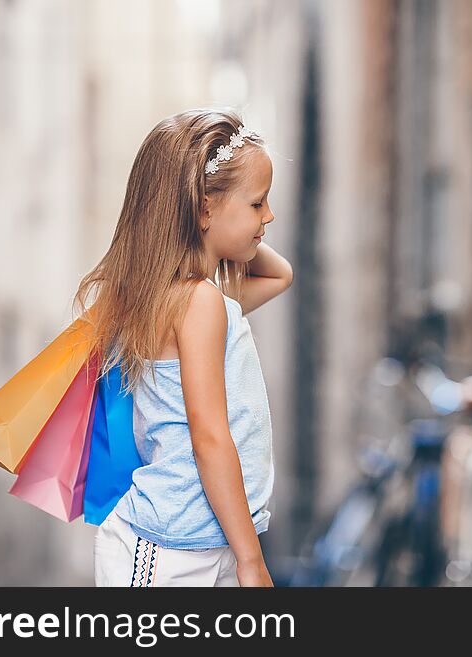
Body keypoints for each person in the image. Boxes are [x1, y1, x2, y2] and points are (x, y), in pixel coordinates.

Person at [75, 108, 292, 587]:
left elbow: (280, 275)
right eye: (258, 203)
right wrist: (252, 560)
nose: (269, 215)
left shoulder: (187, 298)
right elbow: (210, 438)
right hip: (169, 552)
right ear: (203, 208)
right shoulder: (197, 303)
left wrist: (228, 222)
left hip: (198, 543)